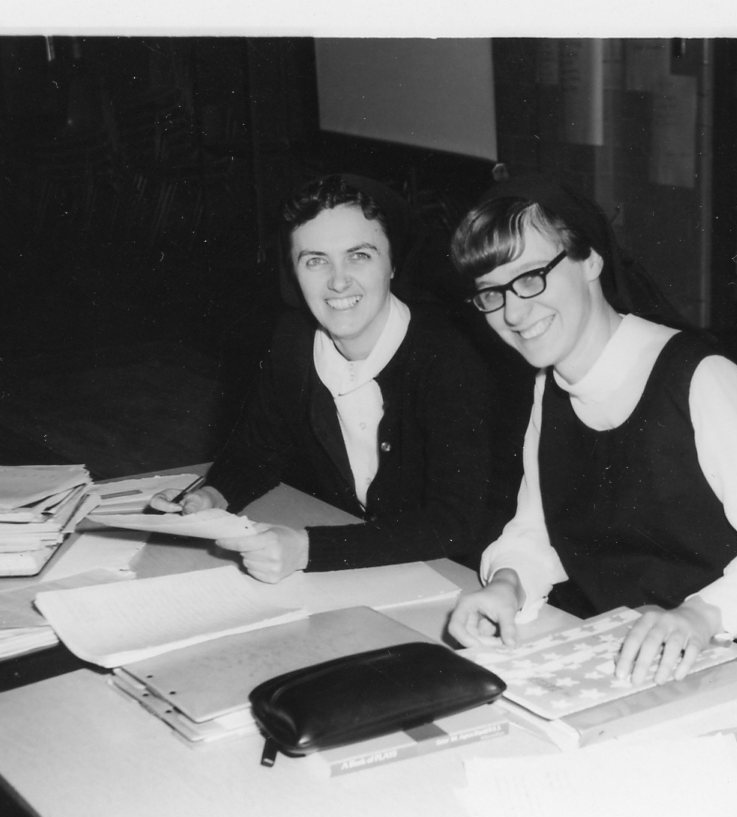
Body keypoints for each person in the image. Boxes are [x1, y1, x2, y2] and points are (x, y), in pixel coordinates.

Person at [444, 174, 737, 686]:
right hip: (630, 663)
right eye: (491, 292)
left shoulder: (702, 380)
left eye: (531, 276)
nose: (513, 311)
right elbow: (539, 529)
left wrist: (698, 616)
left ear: (591, 261)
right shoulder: (550, 384)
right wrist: (509, 586)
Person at [154, 173, 499, 582]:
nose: (338, 281)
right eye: (315, 260)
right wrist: (213, 495)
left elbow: (455, 522)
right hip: (368, 570)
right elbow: (258, 452)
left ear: (392, 264)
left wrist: (309, 549)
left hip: (460, 576)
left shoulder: (449, 357)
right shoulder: (293, 343)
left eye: (359, 256)